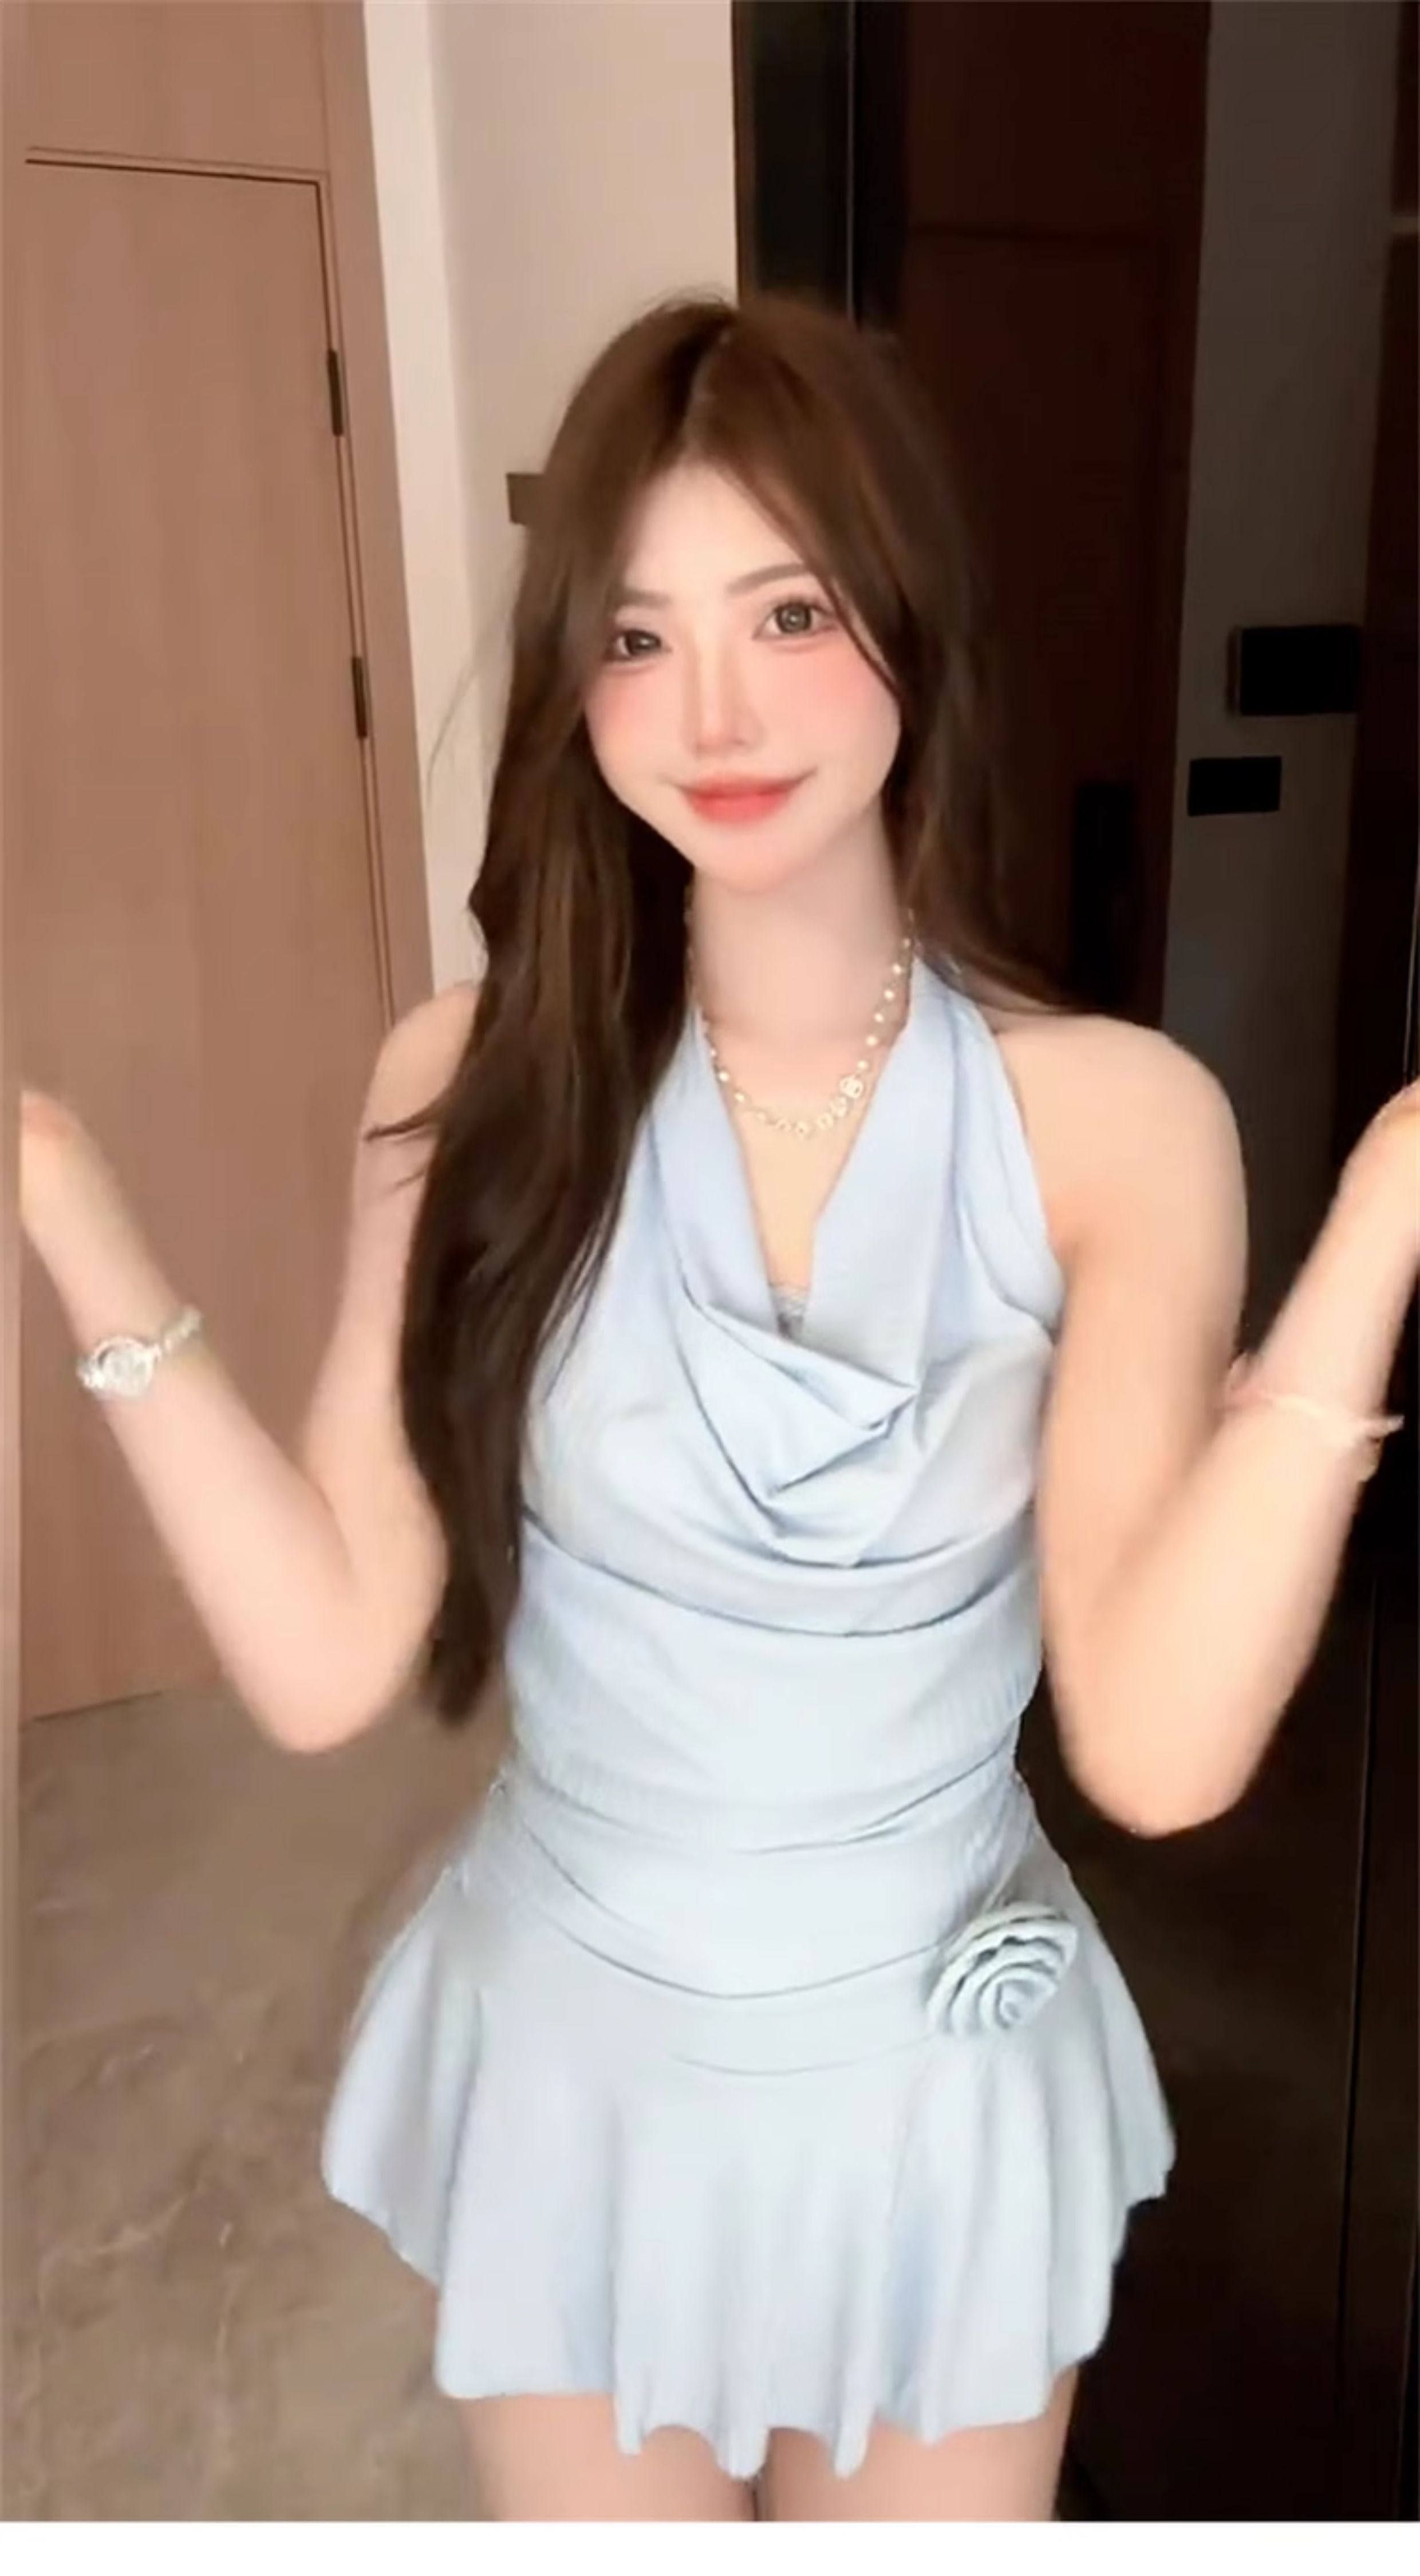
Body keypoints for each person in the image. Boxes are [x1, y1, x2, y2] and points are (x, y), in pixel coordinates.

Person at [19, 291, 1418, 2523]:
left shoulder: (1114, 1123)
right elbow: (325, 1654)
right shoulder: (471, 1082)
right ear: (574, 680)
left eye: (786, 612)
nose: (718, 712)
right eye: (639, 637)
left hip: (926, 2088)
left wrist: (1394, 1195)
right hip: (578, 2058)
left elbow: (1156, 1744)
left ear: (907, 618)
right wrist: (65, 1199)